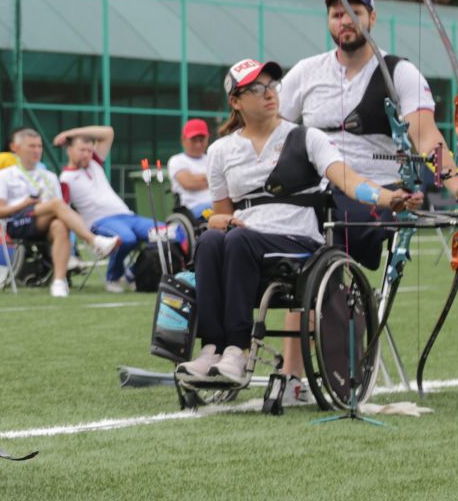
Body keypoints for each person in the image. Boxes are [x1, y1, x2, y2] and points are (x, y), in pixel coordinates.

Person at [175, 60, 420, 386]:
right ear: (236, 101)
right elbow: (222, 213)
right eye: (256, 89)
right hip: (246, 238)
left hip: (297, 243)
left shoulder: (307, 137)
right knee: (209, 241)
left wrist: (389, 198)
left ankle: (238, 349)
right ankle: (211, 349)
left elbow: (348, 180)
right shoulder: (220, 151)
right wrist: (217, 219)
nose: (269, 94)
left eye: (272, 86)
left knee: (235, 241)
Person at [280, 0, 458, 270]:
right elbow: (272, 131)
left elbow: (426, 139)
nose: (345, 21)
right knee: (291, 266)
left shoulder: (400, 73)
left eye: (354, 13)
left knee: (325, 248)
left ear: (372, 17)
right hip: (317, 191)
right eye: (337, 15)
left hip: (377, 192)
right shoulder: (305, 72)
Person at [0, 128, 120, 298]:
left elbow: (60, 211)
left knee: (59, 224)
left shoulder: (49, 176)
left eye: (39, 146)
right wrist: (23, 204)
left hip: (43, 222)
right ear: (15, 148)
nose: (37, 150)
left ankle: (58, 282)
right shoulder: (4, 175)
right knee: (57, 204)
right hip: (17, 222)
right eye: (31, 146)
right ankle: (94, 241)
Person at [51, 126, 163, 293]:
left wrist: (69, 134)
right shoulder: (65, 179)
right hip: (100, 222)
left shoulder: (95, 163)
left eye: (90, 150)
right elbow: (66, 213)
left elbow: (108, 132)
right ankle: (112, 277)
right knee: (127, 238)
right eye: (82, 150)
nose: (87, 154)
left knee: (167, 233)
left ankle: (131, 274)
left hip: (127, 216)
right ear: (69, 150)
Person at [167, 119, 214, 218]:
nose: (198, 144)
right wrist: (215, 178)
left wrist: (201, 178)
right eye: (194, 140)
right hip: (192, 210)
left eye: (201, 140)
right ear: (183, 139)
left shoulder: (211, 158)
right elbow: (189, 183)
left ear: (207, 139)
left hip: (217, 204)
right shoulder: (176, 160)